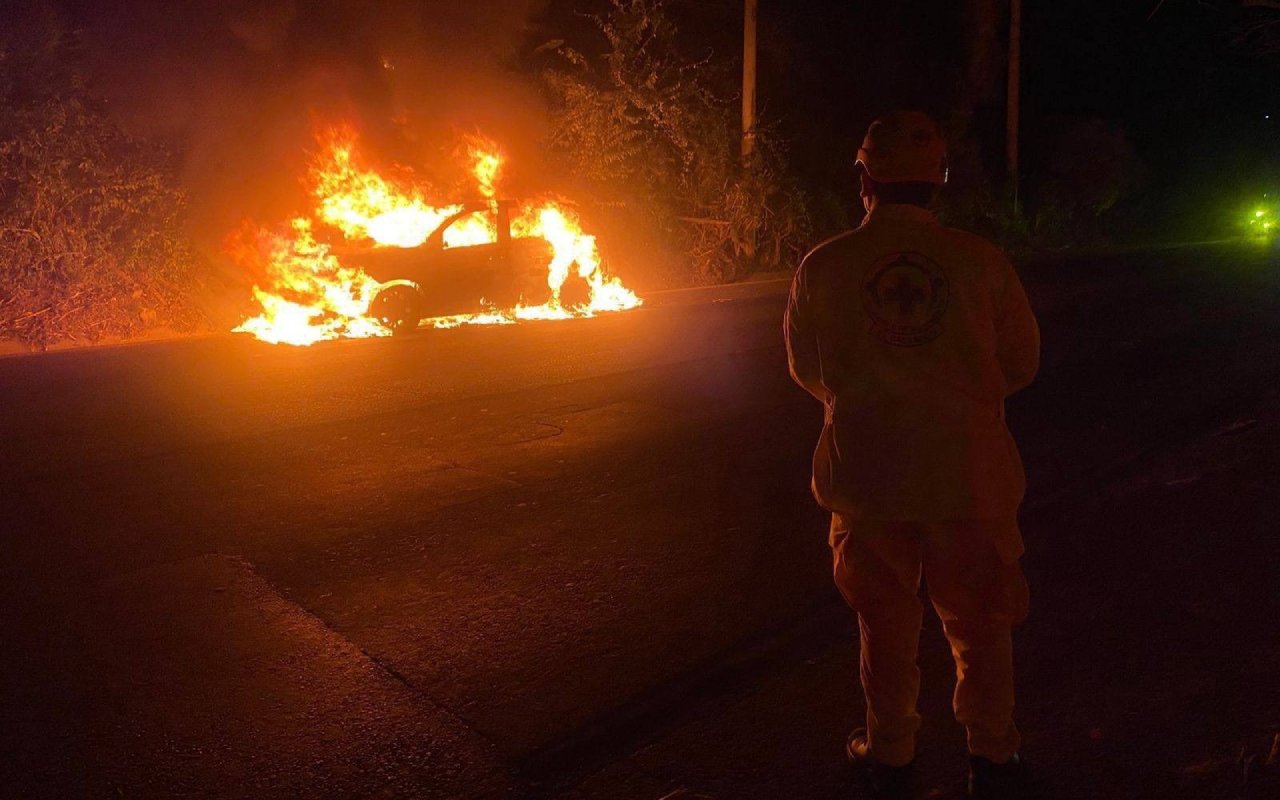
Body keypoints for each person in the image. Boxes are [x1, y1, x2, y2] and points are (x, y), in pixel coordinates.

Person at [784, 111, 1040, 799]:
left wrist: (870, 403)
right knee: (981, 622)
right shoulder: (981, 262)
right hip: (968, 476)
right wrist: (959, 400)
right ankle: (993, 754)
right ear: (941, 180)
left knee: (884, 624)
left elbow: (807, 370)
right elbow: (1021, 362)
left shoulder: (823, 266)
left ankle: (891, 751)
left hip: (868, 479)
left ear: (863, 178)